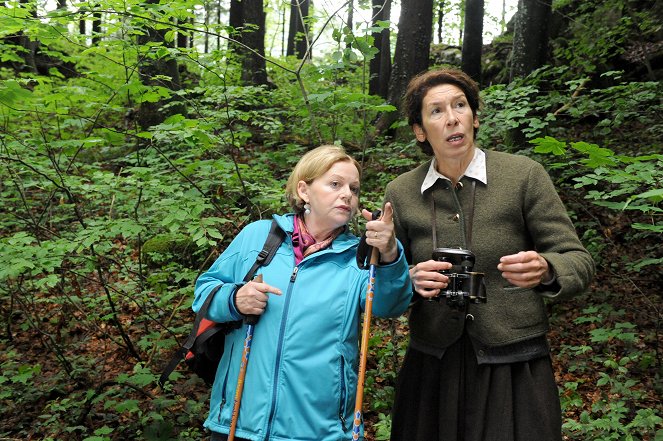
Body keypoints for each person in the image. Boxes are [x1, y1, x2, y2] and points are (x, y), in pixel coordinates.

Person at [385, 68, 595, 441]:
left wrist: (547, 268)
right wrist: (409, 278)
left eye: (460, 105)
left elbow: (577, 260)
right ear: (419, 130)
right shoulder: (401, 192)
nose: (452, 117)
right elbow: (385, 284)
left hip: (514, 361)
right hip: (432, 361)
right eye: (436, 111)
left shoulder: (524, 176)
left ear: (475, 117)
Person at [193, 145, 412, 441]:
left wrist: (388, 253)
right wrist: (235, 299)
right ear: (304, 191)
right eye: (335, 184)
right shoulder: (258, 237)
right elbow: (204, 294)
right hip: (237, 421)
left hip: (317, 429)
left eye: (354, 188)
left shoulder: (358, 257)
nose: (347, 194)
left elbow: (390, 304)